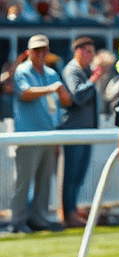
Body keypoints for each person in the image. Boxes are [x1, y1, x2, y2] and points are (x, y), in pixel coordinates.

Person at [9, 35, 71, 233]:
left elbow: (65, 102)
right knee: (24, 181)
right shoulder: (22, 71)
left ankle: (39, 218)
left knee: (45, 180)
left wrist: (64, 96)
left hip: (50, 134)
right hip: (28, 135)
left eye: (44, 50)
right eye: (36, 50)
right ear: (29, 52)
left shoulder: (52, 73)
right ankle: (18, 222)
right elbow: (24, 94)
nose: (40, 54)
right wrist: (51, 89)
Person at [61, 36, 102, 228]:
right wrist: (93, 80)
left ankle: (73, 211)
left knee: (79, 174)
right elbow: (77, 96)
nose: (91, 56)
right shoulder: (72, 70)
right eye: (88, 52)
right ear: (78, 51)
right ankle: (68, 214)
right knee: (71, 175)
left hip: (85, 130)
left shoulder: (84, 71)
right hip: (75, 130)